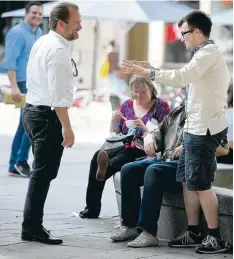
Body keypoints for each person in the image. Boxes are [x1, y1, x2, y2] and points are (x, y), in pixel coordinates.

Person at [121, 11, 230, 254]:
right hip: (194, 128)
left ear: (198, 32)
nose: (181, 38)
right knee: (187, 182)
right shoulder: (202, 55)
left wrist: (149, 72)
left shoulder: (208, 54)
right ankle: (193, 232)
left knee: (201, 184)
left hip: (204, 130)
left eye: (184, 33)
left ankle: (215, 237)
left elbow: (181, 76)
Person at [110, 104, 229, 248]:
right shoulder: (176, 112)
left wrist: (188, 148)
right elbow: (156, 133)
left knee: (154, 171)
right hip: (164, 160)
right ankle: (130, 226)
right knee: (128, 170)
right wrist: (149, 138)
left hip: (186, 164)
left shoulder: (207, 113)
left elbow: (223, 149)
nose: (185, 90)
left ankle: (148, 232)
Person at [21, 2, 82, 245]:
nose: (80, 26)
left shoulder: (44, 42)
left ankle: (32, 225)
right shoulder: (57, 49)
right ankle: (32, 227)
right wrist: (67, 127)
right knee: (42, 174)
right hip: (46, 116)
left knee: (42, 173)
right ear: (61, 23)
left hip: (33, 112)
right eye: (76, 22)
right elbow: (58, 96)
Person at [79, 76, 170, 219]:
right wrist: (113, 120)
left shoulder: (161, 106)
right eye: (135, 93)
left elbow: (165, 133)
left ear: (151, 90)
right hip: (123, 143)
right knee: (97, 156)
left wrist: (145, 128)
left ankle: (105, 169)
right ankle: (92, 207)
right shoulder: (127, 105)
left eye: (143, 92)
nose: (138, 96)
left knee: (126, 153)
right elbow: (116, 132)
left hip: (145, 147)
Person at [2, 1, 43, 177]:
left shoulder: (39, 33)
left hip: (35, 83)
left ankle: (13, 164)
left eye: (40, 14)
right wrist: (14, 87)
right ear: (26, 13)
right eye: (34, 13)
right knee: (32, 123)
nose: (37, 16)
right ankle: (21, 161)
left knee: (23, 125)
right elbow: (10, 62)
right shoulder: (16, 33)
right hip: (22, 83)